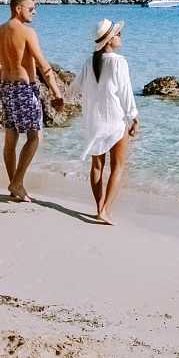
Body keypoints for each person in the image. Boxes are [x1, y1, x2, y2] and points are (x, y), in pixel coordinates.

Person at [0, 0, 65, 202]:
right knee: (34, 136)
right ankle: (17, 182)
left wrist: (0, 87)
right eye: (31, 9)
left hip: (6, 87)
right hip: (24, 88)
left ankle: (15, 186)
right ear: (18, 8)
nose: (35, 12)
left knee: (11, 137)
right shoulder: (26, 32)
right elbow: (43, 65)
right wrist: (56, 93)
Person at [66, 19, 139, 224]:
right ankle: (105, 209)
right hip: (115, 120)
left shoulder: (90, 62)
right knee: (118, 166)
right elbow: (125, 92)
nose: (120, 37)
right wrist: (134, 116)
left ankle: (99, 207)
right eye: (117, 34)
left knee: (97, 165)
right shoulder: (118, 61)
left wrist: (61, 100)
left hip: (94, 122)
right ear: (109, 40)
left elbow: (74, 88)